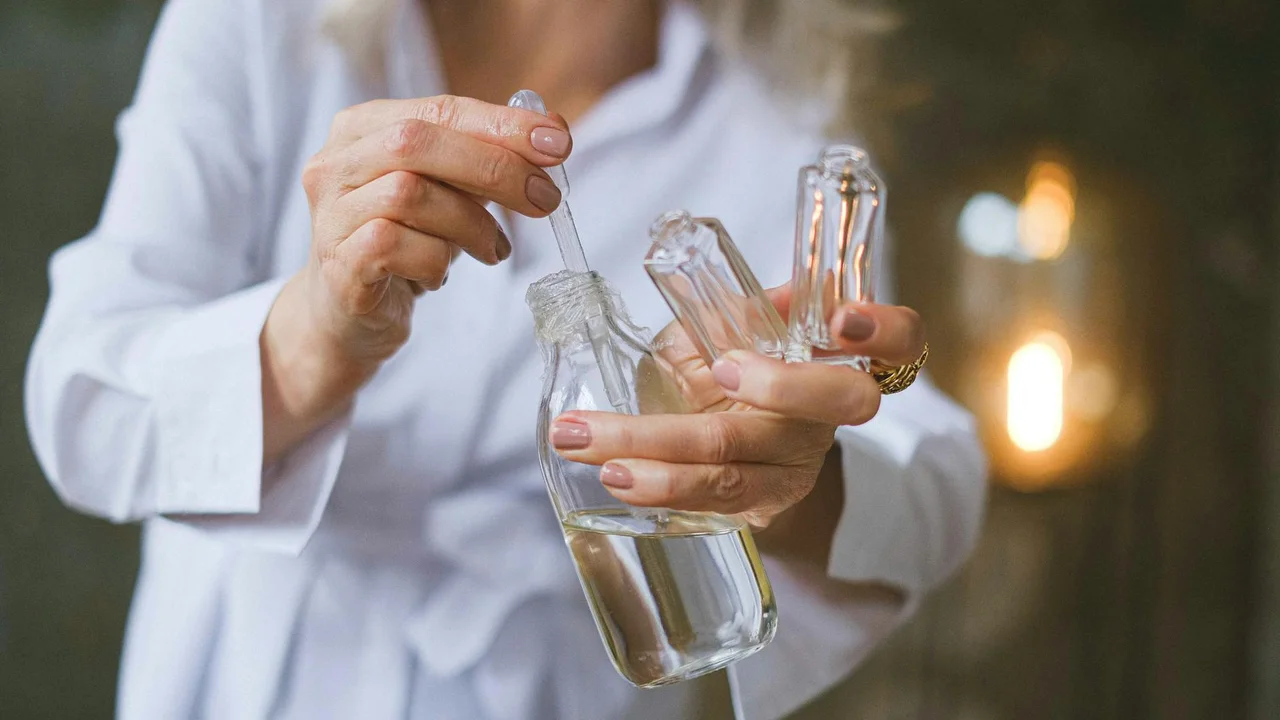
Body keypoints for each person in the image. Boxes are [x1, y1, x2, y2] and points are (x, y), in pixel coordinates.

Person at [24, 0, 987, 718]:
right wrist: (319, 328)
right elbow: (85, 407)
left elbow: (928, 488)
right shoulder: (265, 24)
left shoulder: (783, 125)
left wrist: (790, 468)